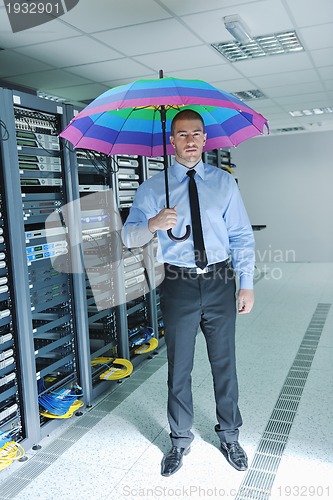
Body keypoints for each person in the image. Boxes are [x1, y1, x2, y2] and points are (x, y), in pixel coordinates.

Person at [122, 109, 255, 477]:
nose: (191, 140)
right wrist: (152, 223)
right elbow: (128, 236)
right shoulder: (153, 188)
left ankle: (230, 435)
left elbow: (241, 236)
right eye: (182, 134)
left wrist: (246, 284)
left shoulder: (224, 183)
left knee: (224, 363)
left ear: (205, 139)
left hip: (219, 280)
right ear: (172, 141)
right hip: (177, 283)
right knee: (179, 366)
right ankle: (179, 440)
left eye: (197, 133)